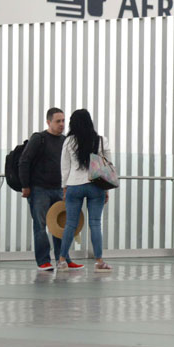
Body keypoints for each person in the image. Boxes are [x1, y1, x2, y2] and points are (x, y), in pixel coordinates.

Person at [19, 108, 83, 271]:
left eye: (63, 121)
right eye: (58, 121)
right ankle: (43, 261)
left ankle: (63, 259)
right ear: (48, 122)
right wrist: (25, 185)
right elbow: (24, 161)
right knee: (40, 225)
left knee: (61, 225)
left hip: (59, 189)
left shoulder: (65, 141)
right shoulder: (39, 138)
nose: (61, 124)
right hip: (39, 189)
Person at [58, 109, 112, 272]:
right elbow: (108, 166)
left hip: (74, 185)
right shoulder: (101, 140)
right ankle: (99, 262)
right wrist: (106, 189)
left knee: (70, 224)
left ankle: (62, 261)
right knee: (95, 223)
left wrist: (64, 187)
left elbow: (65, 166)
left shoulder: (69, 141)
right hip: (96, 185)